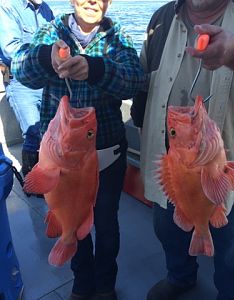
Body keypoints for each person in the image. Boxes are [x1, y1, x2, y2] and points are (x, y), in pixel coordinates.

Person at [131, 0, 234, 300]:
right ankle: (180, 277)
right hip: (171, 170)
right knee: (168, 233)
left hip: (233, 173)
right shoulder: (160, 18)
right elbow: (143, 82)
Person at [11, 0, 145, 299]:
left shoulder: (118, 36)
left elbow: (135, 81)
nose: (93, 0)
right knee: (70, 217)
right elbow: (21, 70)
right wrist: (46, 58)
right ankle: (82, 284)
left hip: (108, 154)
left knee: (107, 224)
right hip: (61, 159)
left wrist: (96, 69)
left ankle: (106, 285)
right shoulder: (51, 31)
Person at [0, 0, 54, 178]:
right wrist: (46, 56)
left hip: (47, 81)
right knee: (33, 132)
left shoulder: (46, 9)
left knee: (49, 131)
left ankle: (49, 178)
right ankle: (32, 181)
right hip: (20, 82)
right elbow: (10, 50)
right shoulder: (7, 6)